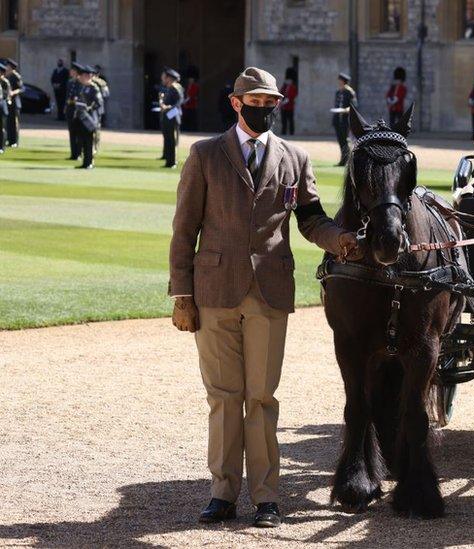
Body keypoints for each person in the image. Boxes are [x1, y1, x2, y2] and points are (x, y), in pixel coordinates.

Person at [169, 66, 361, 529]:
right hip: (213, 291)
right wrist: (182, 294)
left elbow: (312, 219)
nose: (265, 109)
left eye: (272, 102)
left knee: (262, 397)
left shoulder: (295, 157)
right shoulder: (205, 154)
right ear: (236, 103)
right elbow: (184, 229)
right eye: (256, 102)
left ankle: (267, 498)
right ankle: (222, 493)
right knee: (223, 396)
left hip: (269, 290)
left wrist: (343, 241)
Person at [70, 65, 103, 170]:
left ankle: (89, 162)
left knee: (89, 141)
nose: (82, 78)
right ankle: (85, 162)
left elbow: (98, 103)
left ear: (89, 76)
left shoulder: (94, 88)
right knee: (82, 140)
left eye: (84, 76)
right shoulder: (83, 87)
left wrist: (89, 108)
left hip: (90, 118)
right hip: (81, 117)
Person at [159, 67, 184, 168]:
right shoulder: (169, 88)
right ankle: (168, 160)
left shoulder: (175, 87)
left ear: (169, 78)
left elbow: (179, 102)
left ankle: (172, 161)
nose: (163, 79)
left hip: (173, 116)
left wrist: (168, 108)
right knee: (168, 139)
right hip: (168, 116)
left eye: (164, 77)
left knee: (172, 140)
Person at [332, 71, 357, 166]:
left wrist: (344, 110)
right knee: (341, 140)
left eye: (340, 80)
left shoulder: (350, 92)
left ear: (343, 81)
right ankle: (343, 160)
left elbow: (354, 106)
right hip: (338, 119)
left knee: (346, 141)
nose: (339, 82)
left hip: (345, 120)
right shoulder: (338, 92)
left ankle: (348, 160)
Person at [3, 58, 23, 148]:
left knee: (14, 122)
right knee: (9, 122)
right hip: (8, 101)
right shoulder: (7, 76)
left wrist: (13, 92)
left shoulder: (16, 76)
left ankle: (14, 141)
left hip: (15, 102)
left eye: (8, 66)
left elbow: (22, 88)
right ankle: (9, 140)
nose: (7, 67)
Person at [65, 62, 83, 160]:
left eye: (72, 70)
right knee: (72, 132)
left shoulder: (80, 83)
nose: (70, 72)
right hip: (70, 109)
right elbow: (68, 96)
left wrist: (73, 100)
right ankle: (73, 153)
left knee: (78, 132)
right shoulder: (70, 82)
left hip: (77, 109)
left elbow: (79, 96)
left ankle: (79, 153)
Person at [91, 65, 110, 154]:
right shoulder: (89, 82)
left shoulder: (101, 82)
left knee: (96, 128)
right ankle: (91, 146)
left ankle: (95, 146)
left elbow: (106, 94)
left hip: (97, 108)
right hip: (89, 107)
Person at [279, 67, 297, 135]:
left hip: (290, 106)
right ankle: (284, 133)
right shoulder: (284, 86)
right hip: (283, 107)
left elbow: (290, 98)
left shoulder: (293, 87)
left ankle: (291, 134)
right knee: (284, 121)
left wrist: (282, 103)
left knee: (290, 121)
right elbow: (281, 94)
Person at [0, 60, 9, 154]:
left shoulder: (5, 82)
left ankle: (1, 147)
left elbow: (7, 94)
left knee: (2, 128)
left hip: (2, 107)